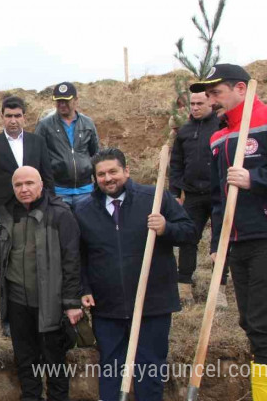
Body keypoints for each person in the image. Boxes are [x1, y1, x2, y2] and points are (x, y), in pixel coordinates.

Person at [193, 63, 267, 399]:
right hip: (239, 243)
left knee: (263, 328)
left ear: (241, 89)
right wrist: (216, 243)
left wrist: (257, 180)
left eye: (216, 93)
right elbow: (218, 196)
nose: (212, 100)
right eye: (207, 95)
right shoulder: (219, 136)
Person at [75, 148, 194, 401]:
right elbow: (79, 256)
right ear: (95, 178)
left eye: (113, 172)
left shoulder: (154, 198)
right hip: (107, 306)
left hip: (153, 303)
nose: (108, 178)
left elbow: (189, 232)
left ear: (126, 171)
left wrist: (166, 228)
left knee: (149, 369)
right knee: (110, 368)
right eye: (101, 174)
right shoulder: (84, 210)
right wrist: (84, 288)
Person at [0, 166, 82, 401]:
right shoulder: (6, 214)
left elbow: (72, 260)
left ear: (41, 184)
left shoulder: (60, 214)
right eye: (18, 185)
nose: (24, 189)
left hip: (50, 303)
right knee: (25, 358)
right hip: (17, 302)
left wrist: (72, 302)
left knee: (54, 360)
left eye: (29, 183)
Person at [168, 91, 227, 307]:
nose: (195, 107)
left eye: (199, 103)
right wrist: (175, 192)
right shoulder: (184, 131)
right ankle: (184, 286)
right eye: (192, 104)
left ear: (211, 103)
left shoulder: (222, 127)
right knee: (188, 239)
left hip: (219, 194)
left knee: (220, 242)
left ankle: (219, 289)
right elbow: (175, 164)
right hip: (192, 195)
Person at [0, 95, 54, 229]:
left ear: (24, 117)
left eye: (17, 116)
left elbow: (47, 177)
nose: (13, 121)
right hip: (4, 213)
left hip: (36, 209)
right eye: (9, 116)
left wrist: (51, 206)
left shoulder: (38, 142)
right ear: (2, 117)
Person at [35, 82, 99, 207]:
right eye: (59, 101)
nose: (62, 104)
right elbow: (37, 157)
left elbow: (95, 154)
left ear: (76, 100)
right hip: (58, 191)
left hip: (85, 191)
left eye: (66, 101)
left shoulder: (88, 123)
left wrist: (98, 184)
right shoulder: (44, 126)